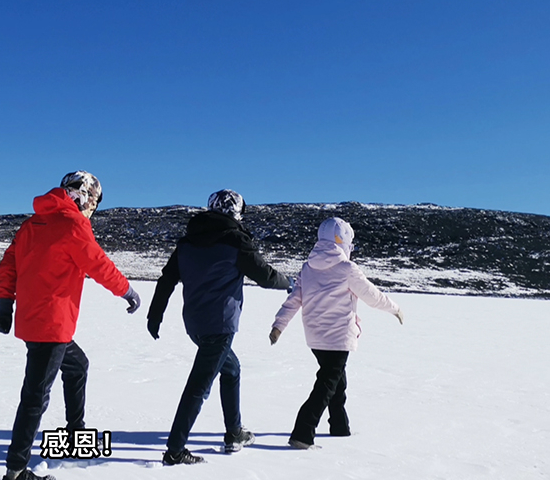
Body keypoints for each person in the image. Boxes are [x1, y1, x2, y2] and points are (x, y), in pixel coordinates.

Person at [0, 171, 141, 480]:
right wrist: (127, 291)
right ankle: (15, 471)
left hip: (35, 321)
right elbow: (98, 264)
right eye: (94, 202)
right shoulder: (73, 225)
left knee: (77, 365)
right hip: (53, 325)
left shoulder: (32, 224)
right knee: (35, 397)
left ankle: (75, 434)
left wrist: (5, 306)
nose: (93, 209)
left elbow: (8, 265)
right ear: (85, 197)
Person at [147, 189, 292, 465]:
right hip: (220, 325)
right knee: (199, 386)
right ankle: (175, 450)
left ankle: (234, 432)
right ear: (237, 212)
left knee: (231, 369)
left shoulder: (188, 242)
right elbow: (265, 276)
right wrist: (289, 283)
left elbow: (167, 279)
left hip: (195, 324)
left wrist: (155, 315)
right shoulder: (236, 241)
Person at [269, 217, 404, 449]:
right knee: (327, 384)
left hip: (315, 337)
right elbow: (372, 296)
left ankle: (340, 427)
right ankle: (302, 434)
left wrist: (279, 325)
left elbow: (294, 300)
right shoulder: (347, 269)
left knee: (336, 381)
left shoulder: (308, 268)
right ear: (343, 241)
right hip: (339, 337)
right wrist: (395, 309)